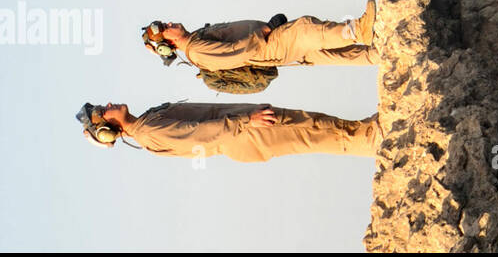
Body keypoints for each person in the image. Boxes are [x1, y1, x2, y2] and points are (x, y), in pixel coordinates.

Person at [75, 101, 382, 161]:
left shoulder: (147, 122)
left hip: (245, 126)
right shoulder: (148, 132)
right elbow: (202, 135)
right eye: (103, 111)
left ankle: (370, 132)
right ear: (105, 129)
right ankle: (376, 141)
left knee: (313, 123)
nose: (109, 104)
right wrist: (246, 122)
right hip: (246, 132)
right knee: (313, 133)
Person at [144, 0, 379, 71]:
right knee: (307, 30)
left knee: (324, 52)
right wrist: (266, 29)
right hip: (267, 46)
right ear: (168, 43)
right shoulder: (196, 50)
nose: (171, 23)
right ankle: (359, 29)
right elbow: (236, 53)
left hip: (267, 44)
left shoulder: (196, 41)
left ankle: (378, 54)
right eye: (166, 27)